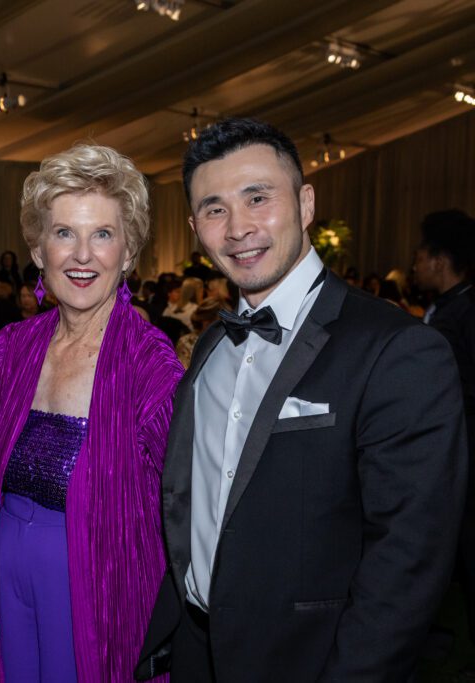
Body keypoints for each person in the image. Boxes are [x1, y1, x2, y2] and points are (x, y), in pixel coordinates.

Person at [137, 118, 466, 682]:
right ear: (195, 227)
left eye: (258, 197)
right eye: (215, 209)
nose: (238, 227)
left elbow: (408, 561)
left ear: (305, 202)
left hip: (310, 662)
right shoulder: (211, 346)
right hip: (197, 652)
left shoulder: (397, 349)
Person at [0, 143, 183, 682]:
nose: (82, 255)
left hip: (96, 591)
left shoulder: (148, 362)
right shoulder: (13, 346)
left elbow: (192, 494)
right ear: (38, 250)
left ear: (129, 252)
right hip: (4, 578)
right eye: (64, 233)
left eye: (103, 235)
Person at [412, 208, 475, 648]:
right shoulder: (446, 306)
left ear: (438, 259)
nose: (415, 264)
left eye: (421, 256)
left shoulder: (466, 311)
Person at [175, 298, 223, 369]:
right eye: (220, 324)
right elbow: (183, 374)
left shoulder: (224, 341)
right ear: (206, 323)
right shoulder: (187, 342)